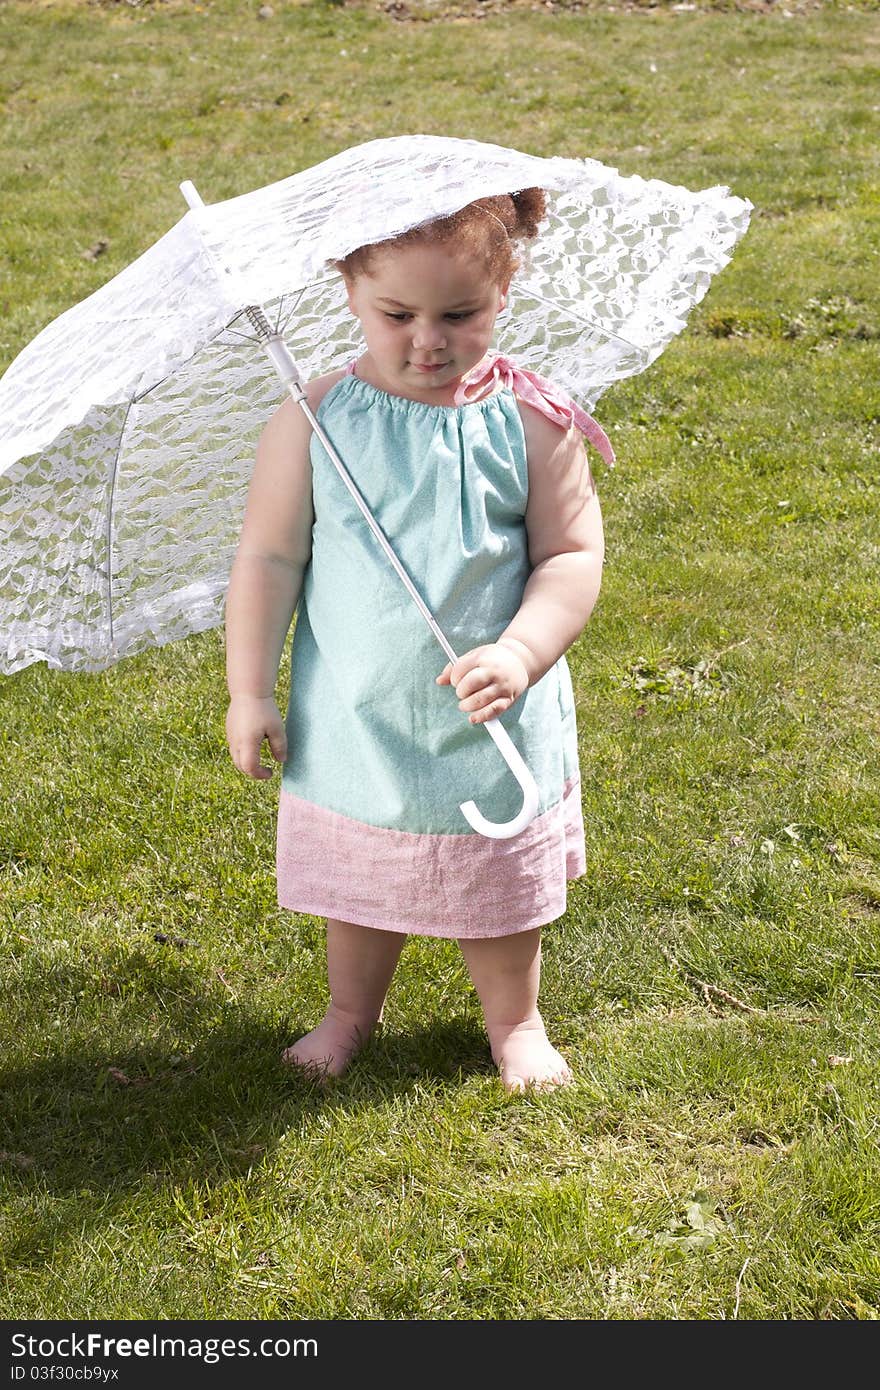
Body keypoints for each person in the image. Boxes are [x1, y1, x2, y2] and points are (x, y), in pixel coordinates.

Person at [223, 187, 610, 1092]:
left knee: (502, 883)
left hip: (495, 709)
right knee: (362, 877)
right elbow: (269, 559)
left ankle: (514, 1020)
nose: (427, 340)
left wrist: (520, 652)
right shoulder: (316, 420)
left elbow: (571, 555)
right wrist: (251, 689)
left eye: (460, 315)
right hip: (361, 713)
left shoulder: (533, 420)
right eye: (396, 315)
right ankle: (350, 1013)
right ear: (350, 293)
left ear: (502, 296)